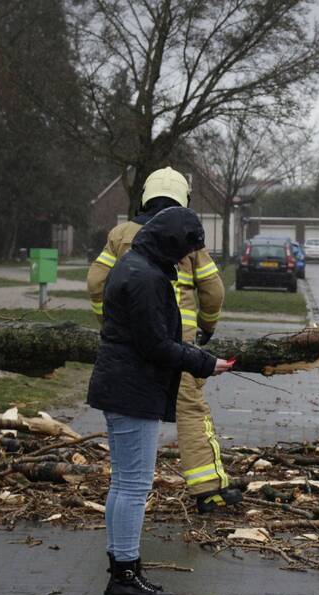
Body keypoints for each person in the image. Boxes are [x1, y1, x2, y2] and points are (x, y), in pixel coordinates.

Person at [87, 206, 233, 595]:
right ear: (170, 243)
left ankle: (121, 571)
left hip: (118, 387)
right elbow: (155, 345)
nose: (186, 260)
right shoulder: (148, 278)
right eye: (185, 251)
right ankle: (127, 577)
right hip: (133, 390)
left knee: (122, 485)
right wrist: (207, 362)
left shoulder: (131, 265)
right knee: (134, 487)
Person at [87, 167, 238, 513]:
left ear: (144, 195)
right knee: (190, 407)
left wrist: (108, 322)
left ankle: (126, 491)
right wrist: (207, 327)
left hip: (129, 340)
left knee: (131, 409)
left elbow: (96, 283)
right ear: (184, 199)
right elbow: (213, 291)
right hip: (178, 340)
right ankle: (208, 489)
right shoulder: (187, 238)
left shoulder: (121, 234)